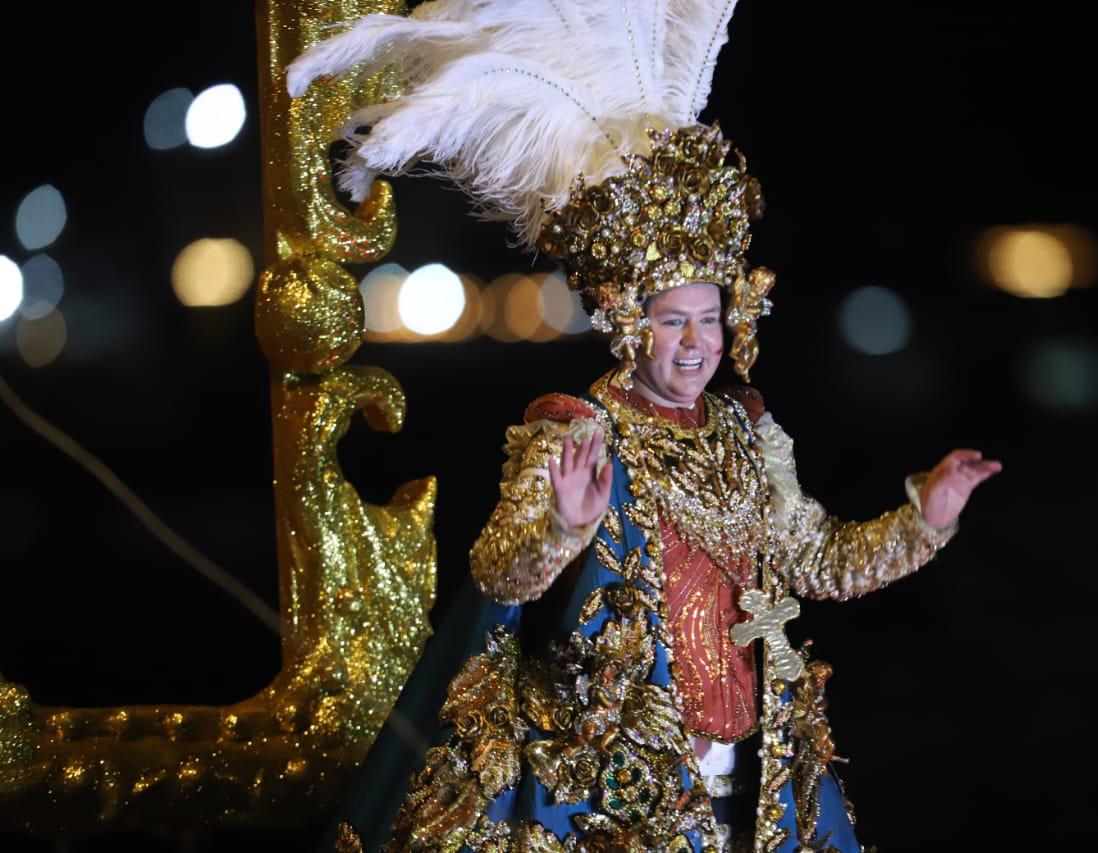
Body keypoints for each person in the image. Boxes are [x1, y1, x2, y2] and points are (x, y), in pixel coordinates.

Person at [288, 4, 999, 850]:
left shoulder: (745, 432)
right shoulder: (579, 431)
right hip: (618, 784)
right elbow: (497, 573)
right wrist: (562, 528)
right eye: (673, 322)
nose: (698, 344)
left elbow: (818, 559)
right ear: (630, 325)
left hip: (762, 778)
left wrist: (928, 518)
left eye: (711, 318)